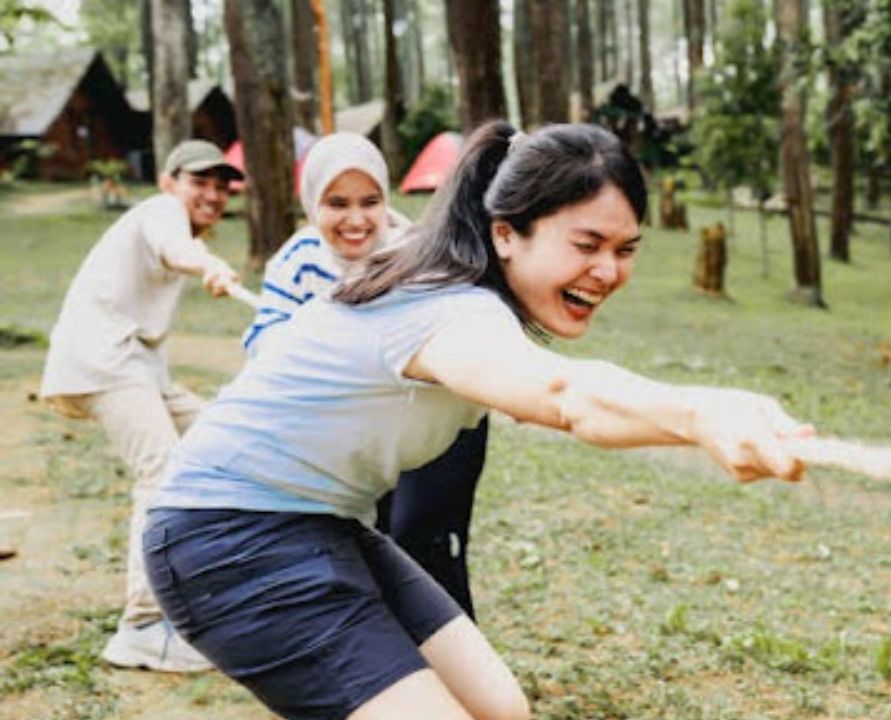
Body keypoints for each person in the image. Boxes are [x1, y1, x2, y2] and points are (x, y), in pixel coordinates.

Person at [144, 121, 811, 720]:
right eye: (587, 243)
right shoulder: (447, 308)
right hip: (224, 541)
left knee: (498, 708)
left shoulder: (465, 296)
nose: (608, 271)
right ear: (504, 233)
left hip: (323, 525)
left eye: (626, 249)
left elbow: (567, 406)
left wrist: (712, 420)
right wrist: (698, 411)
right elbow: (566, 396)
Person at [243, 132, 490, 617]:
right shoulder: (296, 264)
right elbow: (262, 346)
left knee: (423, 537)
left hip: (439, 423)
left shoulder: (420, 255)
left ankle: (461, 668)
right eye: (337, 203)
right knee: (370, 543)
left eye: (369, 201)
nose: (356, 220)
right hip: (363, 431)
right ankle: (398, 663)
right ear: (312, 203)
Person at [40, 139, 243, 673]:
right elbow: (177, 248)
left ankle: (204, 596)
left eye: (222, 186)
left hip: (137, 366)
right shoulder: (160, 213)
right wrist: (209, 265)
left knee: (221, 440)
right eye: (200, 182)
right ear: (169, 182)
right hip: (105, 359)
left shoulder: (173, 224)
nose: (213, 194)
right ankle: (142, 624)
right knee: (163, 470)